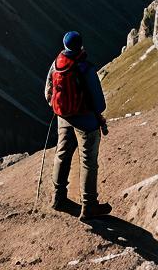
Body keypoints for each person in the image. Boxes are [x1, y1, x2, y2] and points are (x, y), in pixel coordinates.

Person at [44, 31, 111, 220]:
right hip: (86, 122)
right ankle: (89, 205)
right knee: (88, 161)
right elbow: (100, 104)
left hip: (63, 118)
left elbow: (48, 90)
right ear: (81, 46)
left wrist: (58, 107)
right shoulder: (85, 67)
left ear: (65, 45)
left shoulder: (57, 64)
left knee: (62, 154)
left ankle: (58, 197)